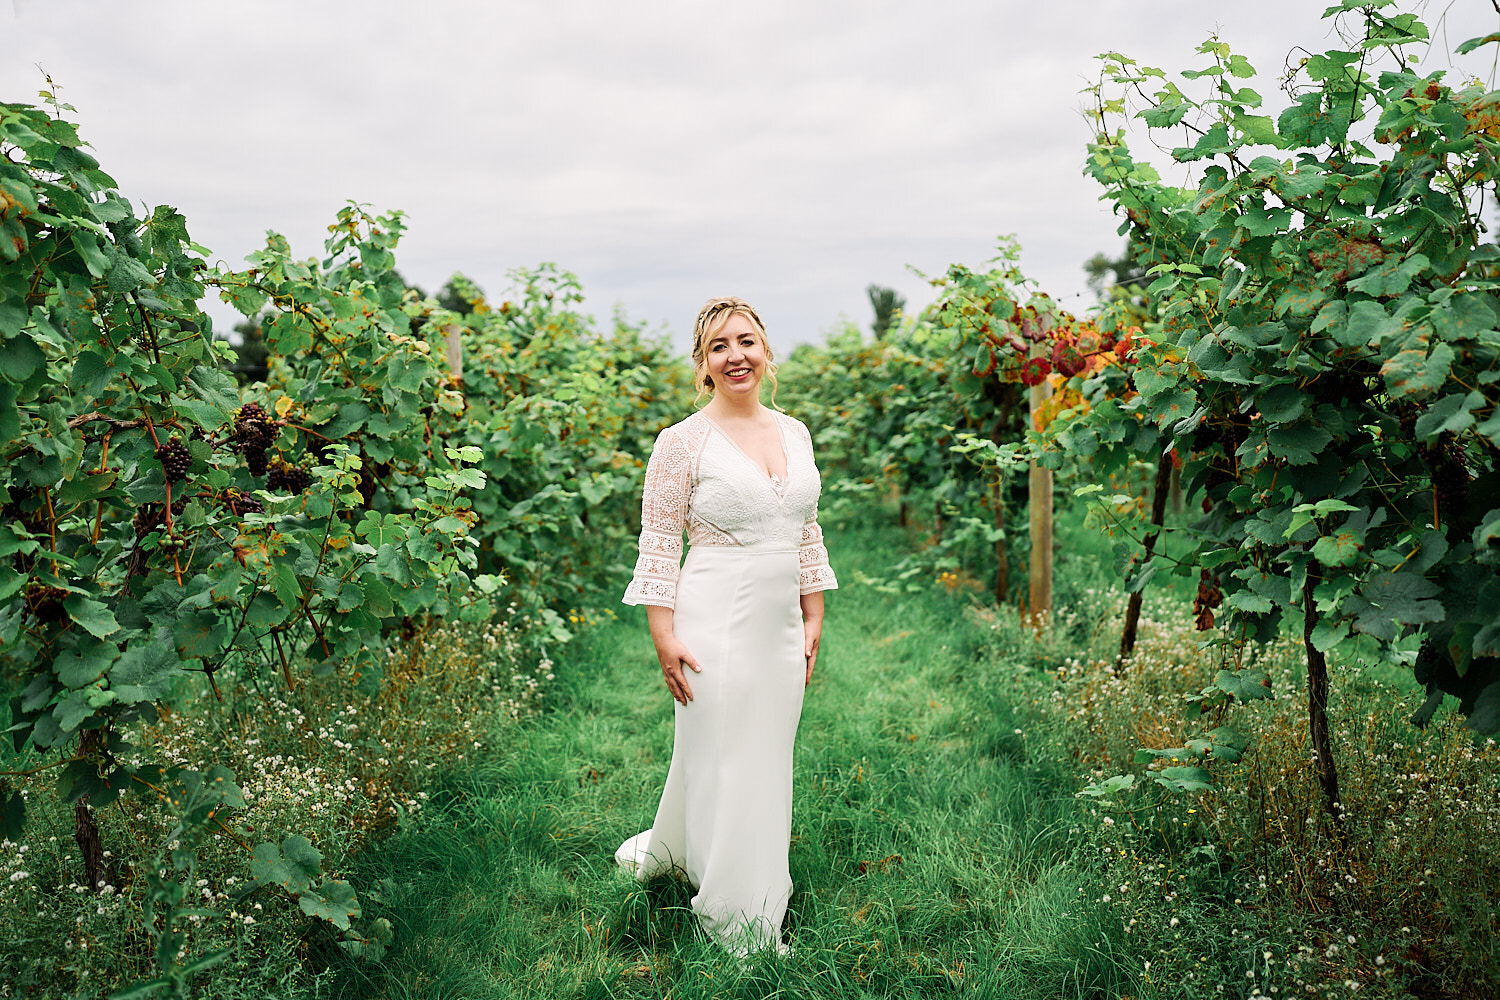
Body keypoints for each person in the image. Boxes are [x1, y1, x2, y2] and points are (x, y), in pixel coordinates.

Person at [615, 295, 837, 956]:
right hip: (714, 613)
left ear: (766, 350)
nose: (735, 356)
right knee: (731, 755)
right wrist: (664, 635)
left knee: (766, 755)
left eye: (745, 341)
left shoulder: (794, 432)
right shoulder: (681, 442)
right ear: (703, 365)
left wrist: (814, 606)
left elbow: (804, 526)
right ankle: (740, 917)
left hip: (778, 623)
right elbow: (657, 541)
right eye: (719, 347)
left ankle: (691, 852)